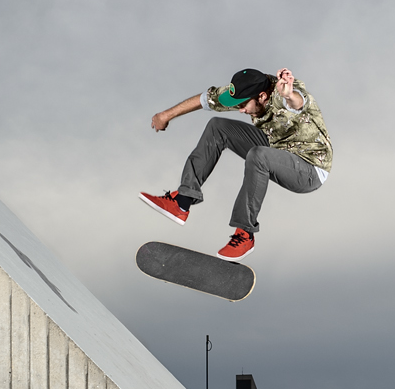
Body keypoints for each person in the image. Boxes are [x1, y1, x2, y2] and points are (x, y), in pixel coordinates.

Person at [140, 68, 333, 261]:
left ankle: (245, 233)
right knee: (218, 127)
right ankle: (182, 201)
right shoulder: (248, 89)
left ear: (263, 96)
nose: (241, 110)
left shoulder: (284, 93)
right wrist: (166, 115)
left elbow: (298, 103)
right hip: (276, 146)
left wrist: (289, 94)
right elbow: (205, 99)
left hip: (309, 168)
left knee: (258, 156)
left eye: (243, 105)